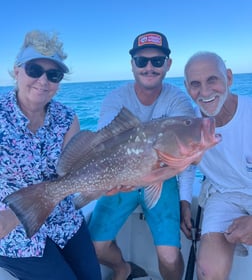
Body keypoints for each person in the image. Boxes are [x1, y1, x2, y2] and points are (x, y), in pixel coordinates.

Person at [88, 31, 196, 280]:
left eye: (157, 61)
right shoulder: (116, 98)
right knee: (95, 248)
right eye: (141, 61)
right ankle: (122, 269)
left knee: (169, 257)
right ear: (132, 65)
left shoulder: (178, 102)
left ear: (168, 64)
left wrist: (185, 200)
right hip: (121, 177)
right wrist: (111, 180)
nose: (149, 67)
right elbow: (102, 148)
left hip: (162, 175)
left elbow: (187, 157)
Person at [0, 30, 102, 280]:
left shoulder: (67, 118)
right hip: (12, 228)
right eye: (34, 70)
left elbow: (75, 174)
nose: (43, 80)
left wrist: (107, 182)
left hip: (64, 221)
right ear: (17, 71)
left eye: (53, 74)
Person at [180, 51, 252, 280]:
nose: (205, 91)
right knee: (207, 272)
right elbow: (188, 163)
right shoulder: (189, 123)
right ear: (186, 87)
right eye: (195, 84)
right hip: (222, 194)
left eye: (213, 80)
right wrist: (184, 202)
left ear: (229, 78)